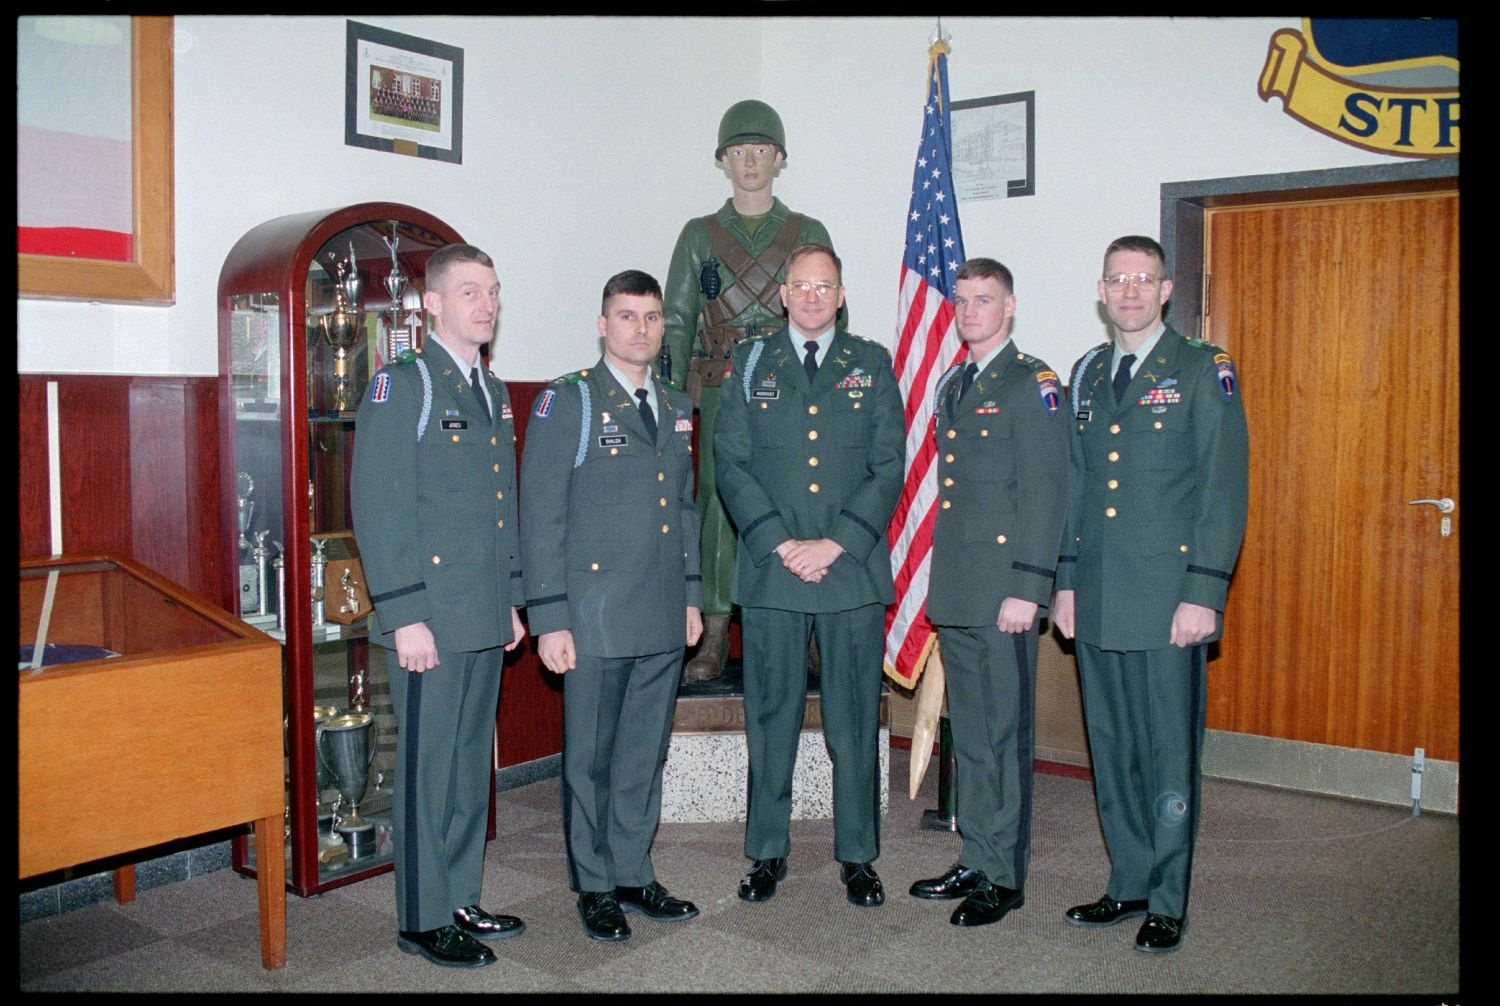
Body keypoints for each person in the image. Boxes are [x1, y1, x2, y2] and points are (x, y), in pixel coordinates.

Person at [1053, 235, 1249, 954]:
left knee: (1168, 754)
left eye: (1144, 279)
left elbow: (1222, 488)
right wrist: (1065, 582)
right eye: (1117, 279)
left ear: (1167, 291)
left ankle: (1168, 897)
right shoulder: (1085, 374)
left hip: (1170, 601)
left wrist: (1206, 592)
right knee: (1111, 748)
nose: (1130, 291)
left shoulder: (1202, 370)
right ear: (1100, 291)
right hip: (1098, 596)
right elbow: (1076, 488)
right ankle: (1128, 879)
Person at [350, 243, 528, 969]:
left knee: (463, 766)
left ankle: (459, 894)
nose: (484, 305)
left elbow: (501, 511)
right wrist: (403, 615)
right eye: (468, 293)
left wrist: (512, 601)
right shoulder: (406, 386)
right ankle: (422, 918)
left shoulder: (491, 391)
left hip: (481, 614)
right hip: (428, 617)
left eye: (492, 291)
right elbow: (379, 506)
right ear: (431, 304)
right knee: (426, 772)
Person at [713, 244, 904, 907]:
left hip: (849, 571)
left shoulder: (871, 364)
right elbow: (729, 462)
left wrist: (838, 543)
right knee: (772, 716)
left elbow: (889, 464)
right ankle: (767, 851)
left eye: (826, 286)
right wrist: (779, 541)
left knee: (854, 718)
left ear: (842, 295)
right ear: (784, 295)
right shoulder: (750, 362)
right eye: (802, 286)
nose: (814, 296)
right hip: (775, 571)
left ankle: (858, 855)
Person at [519, 270, 704, 942]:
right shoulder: (568, 401)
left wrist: (690, 596)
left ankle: (634, 870)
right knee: (591, 757)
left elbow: (682, 509)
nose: (641, 329)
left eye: (652, 317)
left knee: (642, 753)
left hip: (658, 610)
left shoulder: (678, 404)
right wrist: (549, 617)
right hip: (592, 612)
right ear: (603, 325)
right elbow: (540, 515)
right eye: (627, 317)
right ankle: (594, 884)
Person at [908, 258, 1069, 927]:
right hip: (961, 588)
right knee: (969, 735)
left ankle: (1004, 877)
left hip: (1003, 592)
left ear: (1010, 307)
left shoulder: (1033, 382)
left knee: (1001, 738)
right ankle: (975, 853)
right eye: (964, 300)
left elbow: (1047, 490)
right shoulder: (956, 382)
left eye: (985, 299)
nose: (972, 310)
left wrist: (1029, 588)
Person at [663, 99, 837, 682]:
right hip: (721, 385)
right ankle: (713, 636)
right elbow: (678, 320)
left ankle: (806, 626)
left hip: (792, 386)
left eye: (762, 150)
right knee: (717, 501)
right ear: (724, 161)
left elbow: (832, 311)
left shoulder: (807, 232)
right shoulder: (699, 235)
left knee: (799, 495)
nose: (751, 161)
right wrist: (668, 403)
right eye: (740, 151)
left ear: (779, 158)